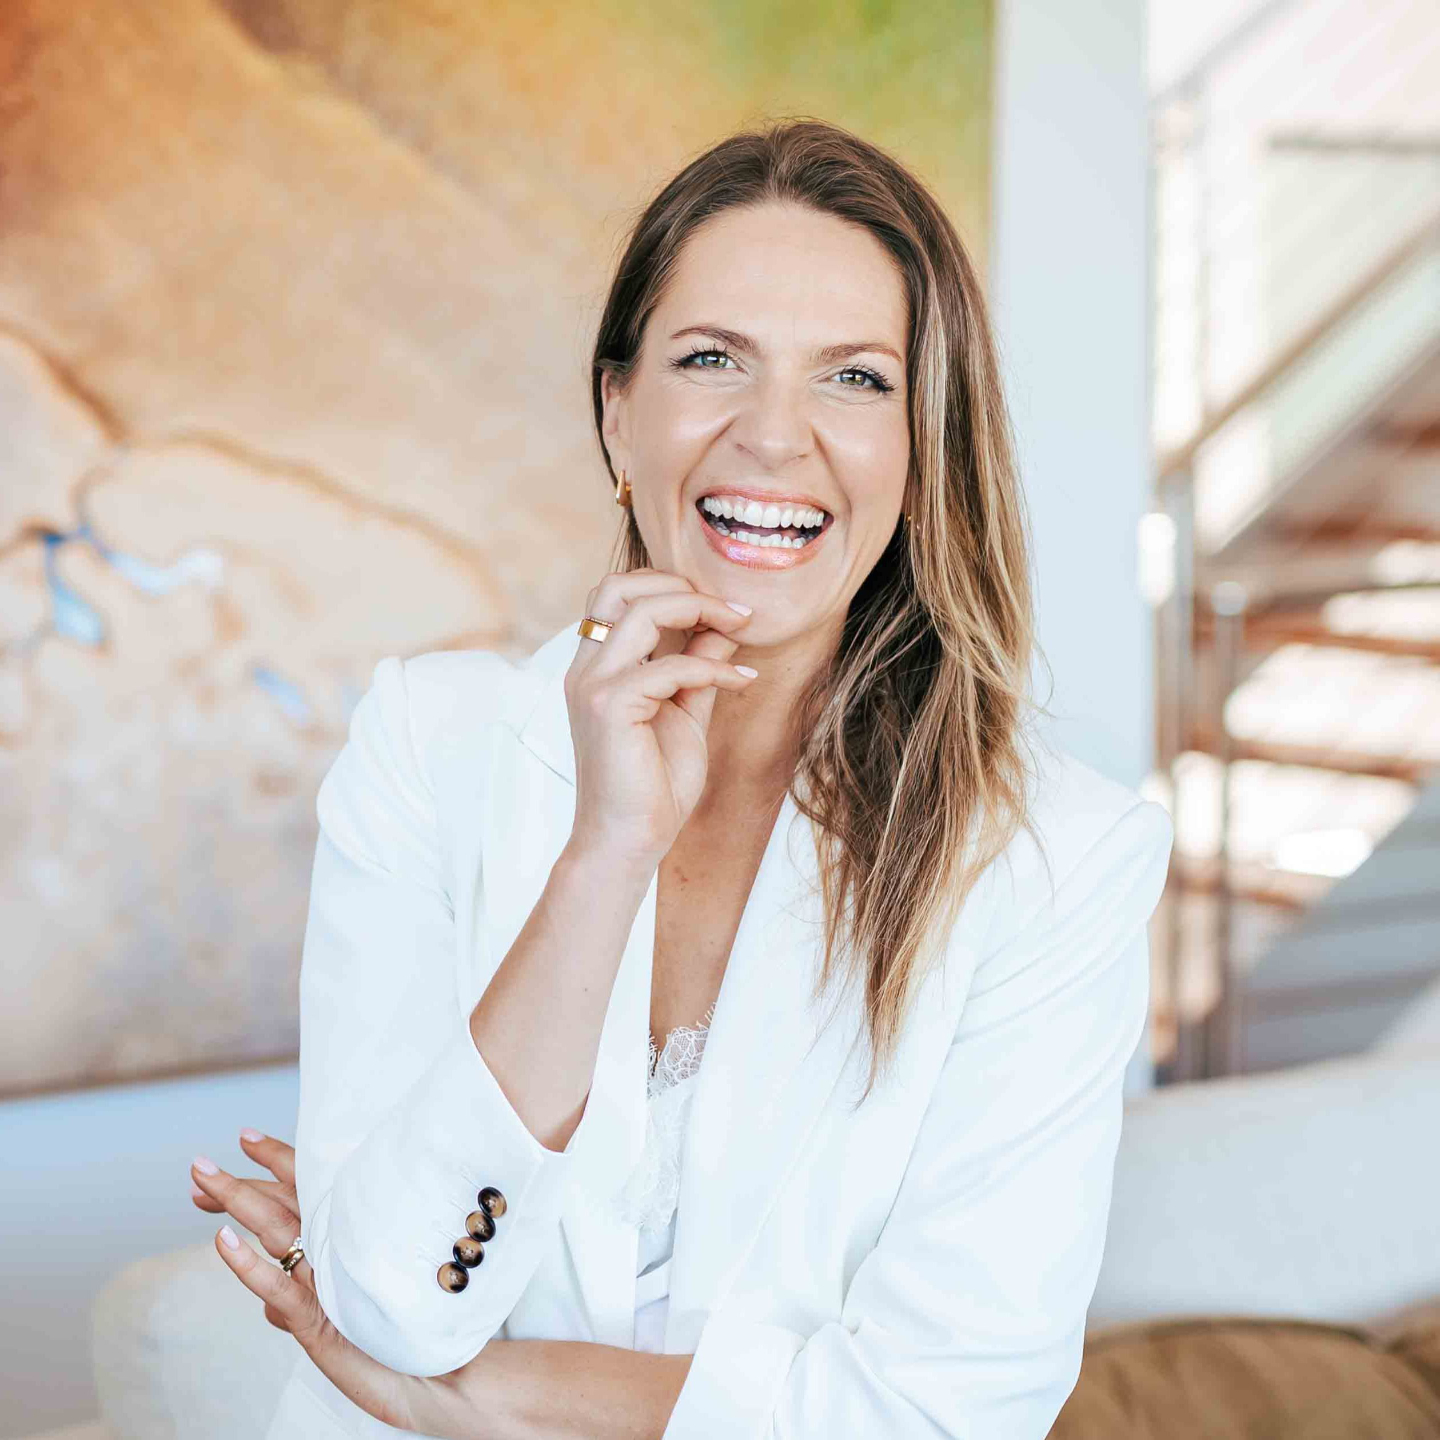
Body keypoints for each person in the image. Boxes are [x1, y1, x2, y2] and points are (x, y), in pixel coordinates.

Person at [190, 117, 1174, 1439]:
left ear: (923, 442)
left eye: (855, 380)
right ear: (618, 409)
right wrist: (604, 856)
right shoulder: (433, 747)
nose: (774, 438)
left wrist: (464, 1397)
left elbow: (947, 1409)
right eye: (713, 360)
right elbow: (391, 1298)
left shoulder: (1059, 856)